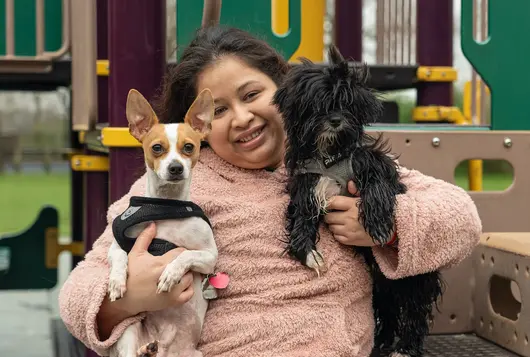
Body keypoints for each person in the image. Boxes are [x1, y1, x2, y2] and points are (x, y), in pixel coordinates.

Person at [58, 26, 482, 357]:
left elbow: (461, 218)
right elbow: (79, 289)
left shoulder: (344, 164)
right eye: (219, 110)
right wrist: (124, 300)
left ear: (287, 90)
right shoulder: (183, 184)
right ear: (200, 124)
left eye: (252, 94)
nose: (241, 118)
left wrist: (384, 225)